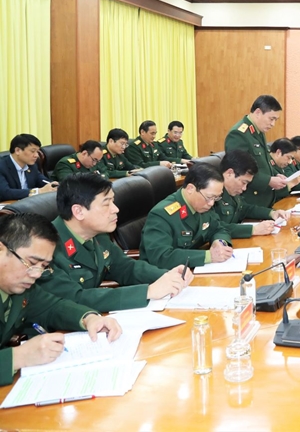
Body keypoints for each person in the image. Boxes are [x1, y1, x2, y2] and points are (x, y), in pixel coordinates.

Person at [38, 174, 191, 312]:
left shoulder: (98, 235)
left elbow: (126, 268)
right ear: (78, 211)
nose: (116, 209)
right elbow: (75, 299)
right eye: (106, 204)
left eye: (113, 201)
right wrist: (147, 292)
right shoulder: (45, 248)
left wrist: (168, 276)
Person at [0, 213, 122, 386]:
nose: (36, 274)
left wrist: (88, 318)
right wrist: (17, 357)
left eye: (43, 266)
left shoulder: (21, 287)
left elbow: (52, 307)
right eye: (31, 263)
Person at [139, 163, 233, 269]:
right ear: (190, 189)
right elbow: (161, 258)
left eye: (216, 198)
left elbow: (218, 228)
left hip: (191, 269)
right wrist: (208, 256)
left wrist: (219, 242)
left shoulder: (202, 205)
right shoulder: (162, 215)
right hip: (164, 275)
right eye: (209, 197)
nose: (211, 203)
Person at [225, 95, 286, 207]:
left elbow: (264, 162)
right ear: (258, 112)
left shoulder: (258, 131)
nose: (273, 124)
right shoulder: (238, 134)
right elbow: (240, 170)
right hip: (250, 201)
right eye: (271, 119)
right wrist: (268, 180)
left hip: (265, 199)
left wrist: (276, 174)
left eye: (275, 120)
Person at [216, 150, 292, 238]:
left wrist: (272, 213)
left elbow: (245, 209)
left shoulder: (232, 192)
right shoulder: (212, 194)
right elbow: (215, 228)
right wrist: (253, 230)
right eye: (243, 182)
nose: (244, 188)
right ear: (229, 173)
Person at [0, 134, 56, 200]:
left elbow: (43, 181)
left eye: (37, 152)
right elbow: (5, 193)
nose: (36, 155)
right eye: (33, 151)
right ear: (17, 150)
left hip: (27, 203)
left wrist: (53, 185)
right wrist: (38, 191)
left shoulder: (32, 166)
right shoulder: (2, 166)